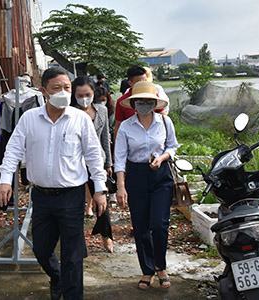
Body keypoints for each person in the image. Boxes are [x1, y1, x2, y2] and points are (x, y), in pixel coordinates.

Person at [0, 68, 108, 300]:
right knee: (41, 249)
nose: (63, 92)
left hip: (72, 196)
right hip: (42, 197)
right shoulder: (29, 119)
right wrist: (5, 181)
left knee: (73, 255)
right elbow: (13, 150)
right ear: (44, 91)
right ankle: (57, 277)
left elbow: (94, 157)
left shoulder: (80, 120)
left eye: (67, 88)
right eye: (57, 88)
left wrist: (100, 190)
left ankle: (72, 295)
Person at [114, 81, 179, 290]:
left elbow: (172, 146)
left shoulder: (165, 122)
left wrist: (162, 158)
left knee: (159, 224)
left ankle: (161, 266)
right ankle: (147, 270)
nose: (144, 104)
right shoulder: (125, 126)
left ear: (155, 103)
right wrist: (121, 186)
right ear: (133, 104)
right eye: (140, 101)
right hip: (136, 176)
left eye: (148, 101)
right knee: (141, 226)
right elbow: (120, 158)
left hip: (160, 175)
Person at [71, 76, 114, 253]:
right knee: (75, 202)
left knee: (102, 200)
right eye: (80, 95)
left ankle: (107, 236)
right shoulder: (70, 112)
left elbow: (106, 137)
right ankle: (77, 241)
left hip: (97, 161)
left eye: (87, 94)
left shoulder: (101, 110)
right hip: (74, 162)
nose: (84, 98)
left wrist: (108, 162)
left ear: (93, 93)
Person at [114, 65, 169, 137]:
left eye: (145, 81)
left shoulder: (153, 96)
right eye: (139, 82)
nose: (143, 84)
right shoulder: (121, 102)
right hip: (132, 140)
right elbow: (118, 124)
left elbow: (162, 115)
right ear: (130, 83)